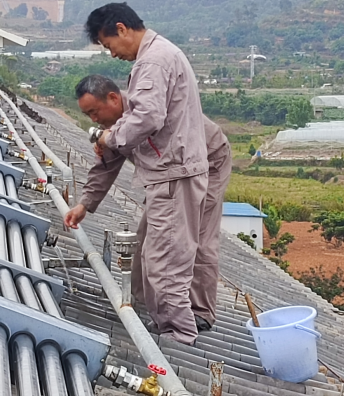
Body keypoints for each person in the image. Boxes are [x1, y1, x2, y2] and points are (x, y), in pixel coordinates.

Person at [80, 3, 212, 345]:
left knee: (164, 261)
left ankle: (178, 337)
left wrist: (111, 137)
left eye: (109, 45)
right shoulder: (158, 55)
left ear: (122, 29)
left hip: (174, 172)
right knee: (153, 254)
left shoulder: (152, 61)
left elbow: (147, 118)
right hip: (171, 171)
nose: (112, 54)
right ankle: (167, 324)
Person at [64, 75, 231, 345]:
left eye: (94, 112)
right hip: (169, 175)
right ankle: (146, 303)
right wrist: (85, 204)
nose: (93, 120)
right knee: (150, 236)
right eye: (87, 115)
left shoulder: (146, 111)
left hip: (206, 161)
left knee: (194, 236)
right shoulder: (114, 128)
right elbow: (105, 166)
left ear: (114, 99)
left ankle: (200, 313)